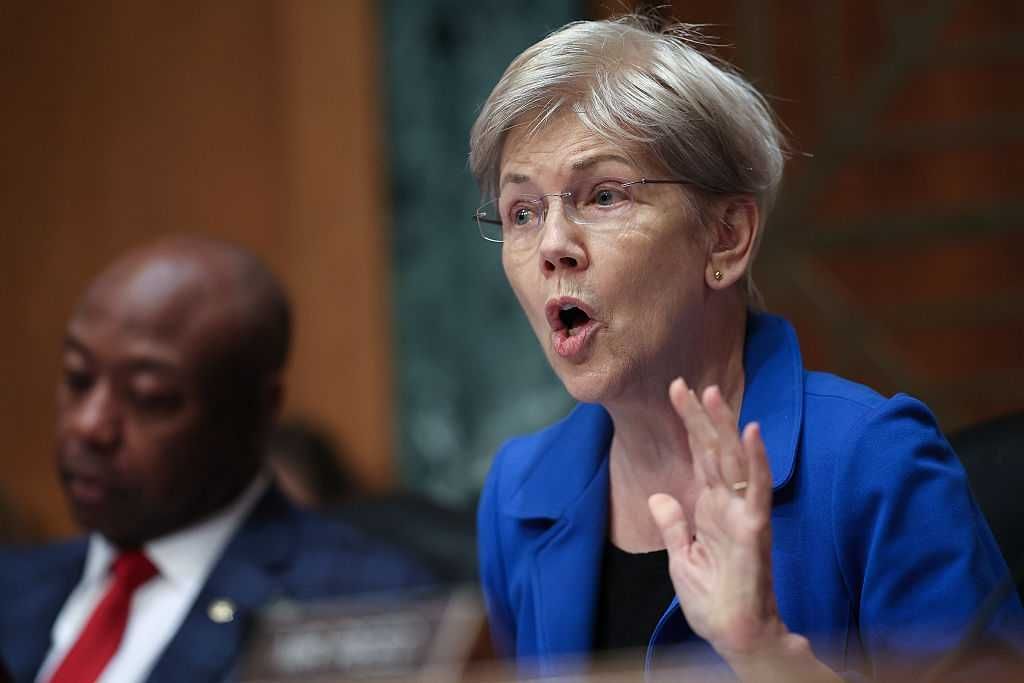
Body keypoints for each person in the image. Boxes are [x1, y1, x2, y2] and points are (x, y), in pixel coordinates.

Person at [469, 15, 1023, 682]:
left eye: (604, 195)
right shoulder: (518, 494)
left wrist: (763, 649)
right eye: (522, 212)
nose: (553, 245)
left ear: (726, 238)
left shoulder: (874, 463)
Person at [0, 237, 432, 683]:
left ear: (258, 409)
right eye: (77, 379)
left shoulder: (360, 602)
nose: (89, 425)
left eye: (150, 397)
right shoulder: (12, 584)